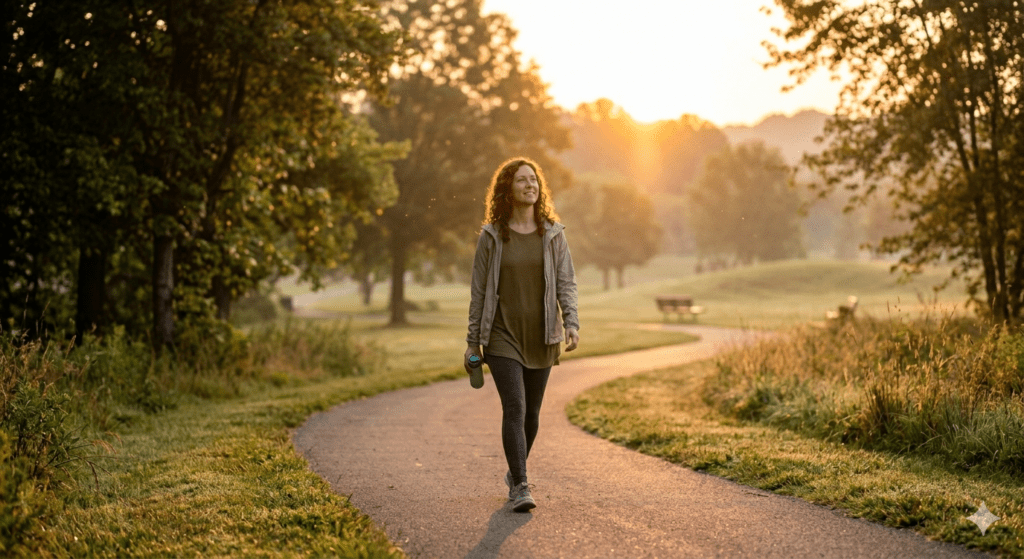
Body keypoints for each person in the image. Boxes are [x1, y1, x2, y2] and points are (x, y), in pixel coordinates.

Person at [465, 157, 580, 513]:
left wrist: (571, 322)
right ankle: (521, 485)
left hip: (542, 333)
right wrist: (473, 341)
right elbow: (479, 290)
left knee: (532, 414)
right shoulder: (492, 236)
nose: (530, 185)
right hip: (502, 336)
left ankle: (515, 474)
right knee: (514, 407)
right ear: (508, 190)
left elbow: (565, 282)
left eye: (534, 180)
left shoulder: (553, 235)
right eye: (521, 181)